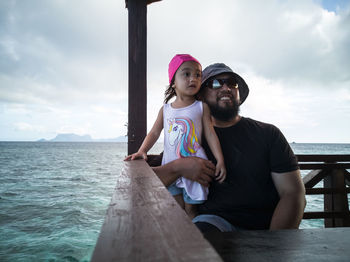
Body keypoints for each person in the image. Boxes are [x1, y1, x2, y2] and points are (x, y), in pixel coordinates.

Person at [152, 63, 306, 232]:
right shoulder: (190, 138)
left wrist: (274, 245)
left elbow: (292, 194)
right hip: (213, 223)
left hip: (265, 227)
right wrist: (178, 167)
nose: (225, 88)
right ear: (200, 96)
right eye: (216, 83)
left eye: (232, 83)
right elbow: (148, 180)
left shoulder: (268, 134)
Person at [125, 55, 226, 218]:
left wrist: (220, 159)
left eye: (198, 75)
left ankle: (193, 239)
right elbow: (154, 132)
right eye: (186, 74)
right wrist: (142, 150)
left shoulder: (201, 107)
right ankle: (178, 240)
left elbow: (210, 133)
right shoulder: (165, 109)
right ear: (173, 82)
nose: (193, 78)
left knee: (191, 210)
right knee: (175, 209)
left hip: (195, 167)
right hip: (171, 167)